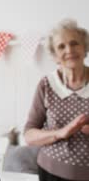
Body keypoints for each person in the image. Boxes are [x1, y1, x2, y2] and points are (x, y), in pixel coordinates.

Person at [24, 19, 89, 181]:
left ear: (85, 47)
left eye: (75, 43)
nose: (69, 50)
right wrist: (62, 132)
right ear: (55, 56)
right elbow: (29, 136)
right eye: (61, 46)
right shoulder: (46, 84)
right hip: (51, 172)